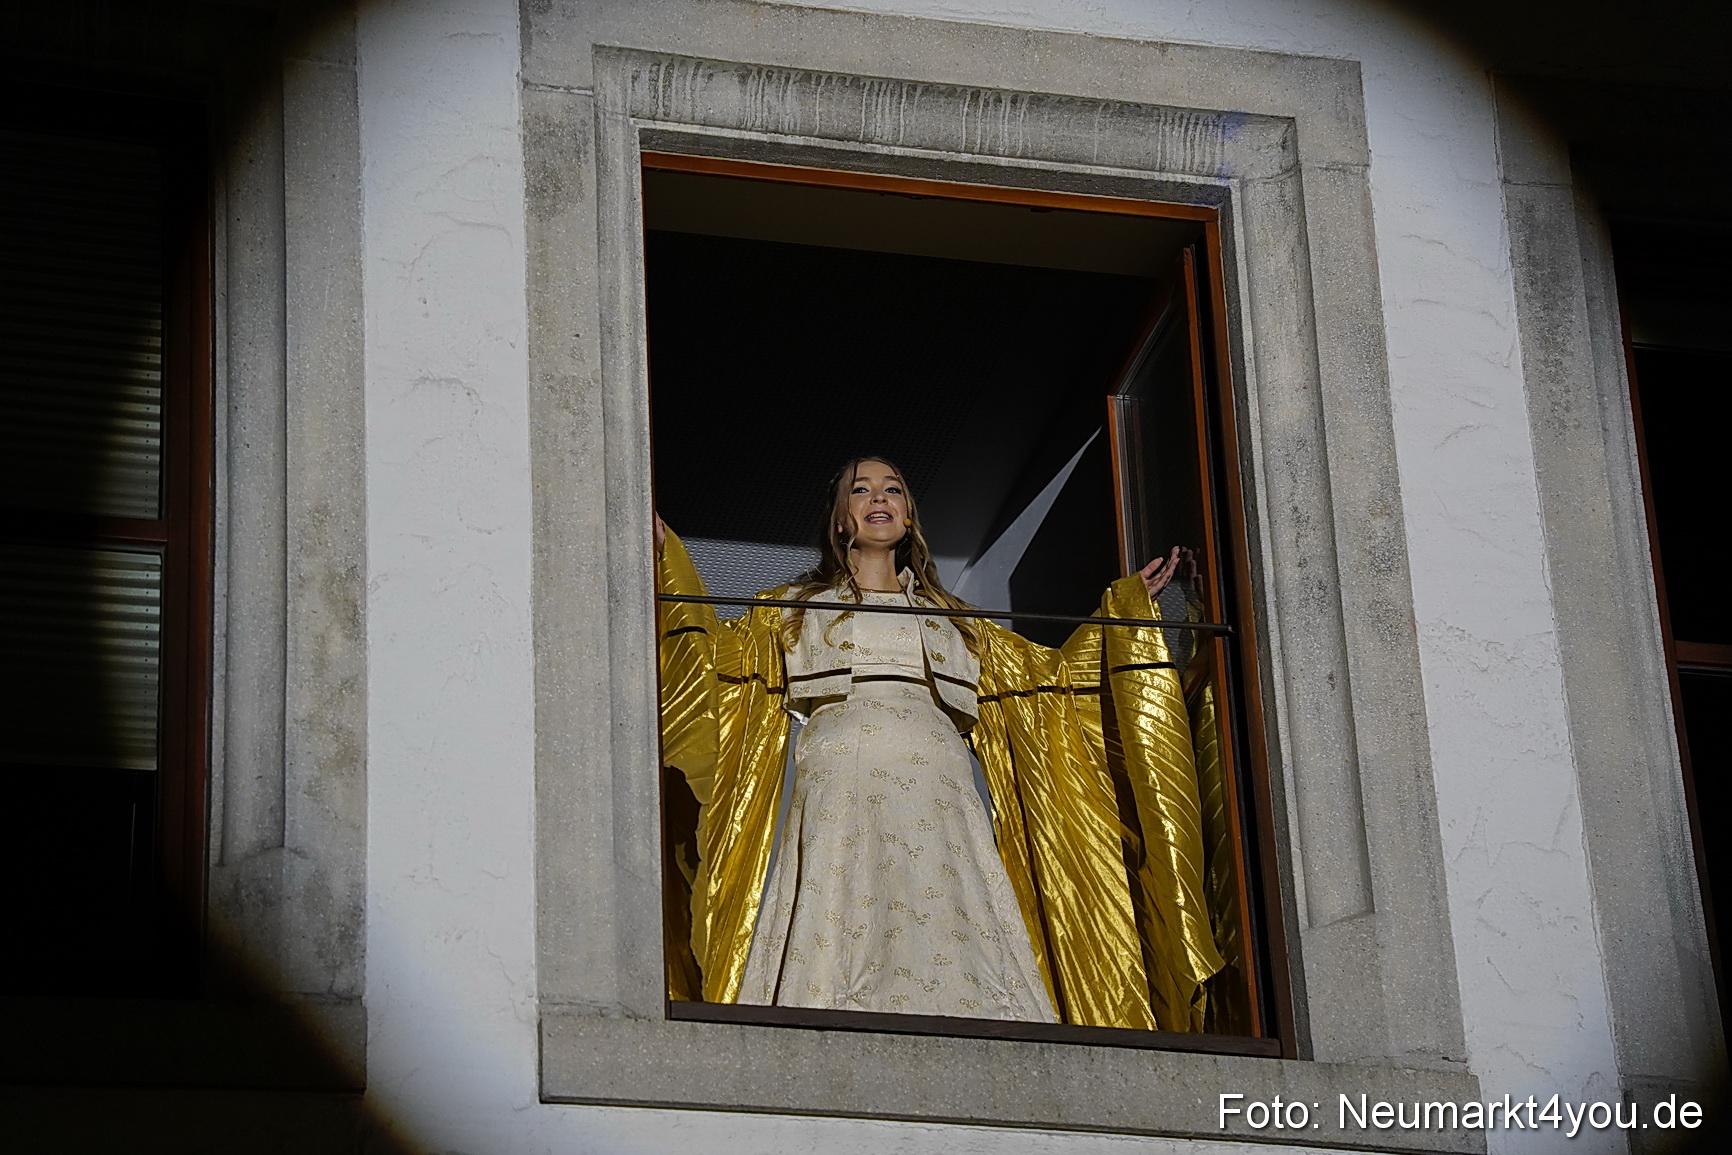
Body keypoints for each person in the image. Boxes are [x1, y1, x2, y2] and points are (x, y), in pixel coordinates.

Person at [655, 457, 1226, 1030]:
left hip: (940, 793)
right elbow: (702, 661)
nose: (880, 497)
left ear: (908, 515)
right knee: (840, 921)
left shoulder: (957, 623)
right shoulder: (788, 612)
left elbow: (1050, 688)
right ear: (839, 518)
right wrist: (666, 560)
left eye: (894, 489)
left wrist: (1126, 611)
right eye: (862, 488)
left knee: (950, 916)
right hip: (841, 788)